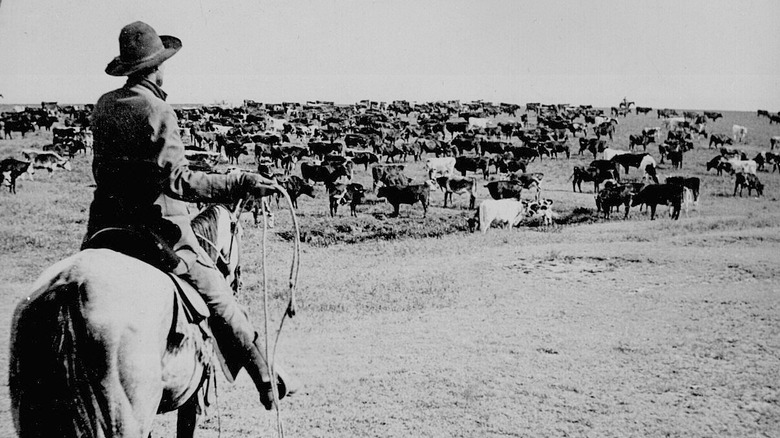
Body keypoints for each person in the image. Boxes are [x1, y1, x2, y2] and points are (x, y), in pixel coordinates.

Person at [83, 21, 296, 410]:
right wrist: (240, 181)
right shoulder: (158, 109)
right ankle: (266, 379)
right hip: (155, 232)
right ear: (157, 67)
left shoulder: (103, 105)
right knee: (221, 298)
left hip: (103, 230)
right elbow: (178, 182)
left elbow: (104, 170)